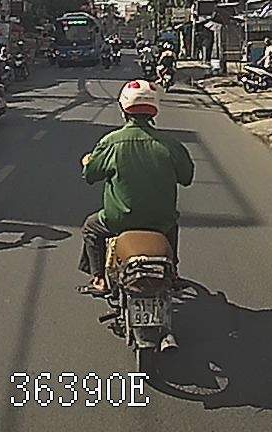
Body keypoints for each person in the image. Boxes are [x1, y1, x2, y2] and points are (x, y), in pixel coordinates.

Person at [78, 80, 194, 295]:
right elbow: (186, 178)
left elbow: (91, 176)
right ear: (154, 109)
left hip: (118, 221)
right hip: (160, 220)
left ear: (123, 109)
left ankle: (99, 279)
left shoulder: (111, 142)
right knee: (172, 225)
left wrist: (87, 163)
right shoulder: (171, 144)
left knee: (90, 228)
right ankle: (172, 273)